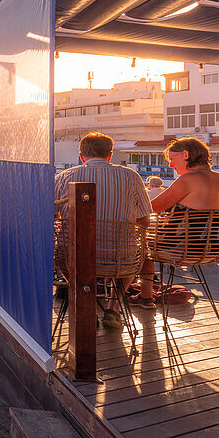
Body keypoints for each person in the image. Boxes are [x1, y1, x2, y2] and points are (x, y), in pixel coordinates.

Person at [54, 133, 150, 326]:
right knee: (132, 258)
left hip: (75, 259)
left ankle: (85, 302)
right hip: (121, 260)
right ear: (110, 155)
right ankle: (113, 309)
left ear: (81, 155)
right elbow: (145, 221)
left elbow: (52, 214)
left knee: (64, 256)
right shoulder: (131, 176)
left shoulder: (65, 176)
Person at [136, 137, 219, 305]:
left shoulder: (187, 180)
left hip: (181, 248)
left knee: (140, 249)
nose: (170, 165)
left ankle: (145, 297)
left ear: (185, 154)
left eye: (172, 159)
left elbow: (152, 207)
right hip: (212, 247)